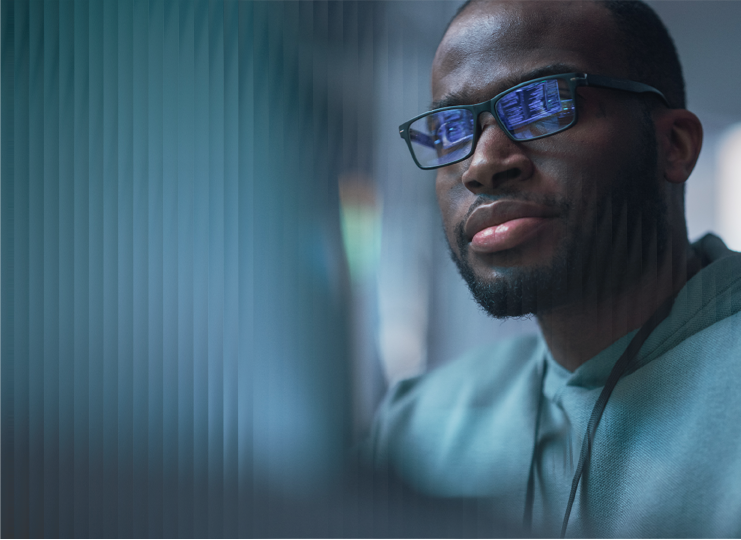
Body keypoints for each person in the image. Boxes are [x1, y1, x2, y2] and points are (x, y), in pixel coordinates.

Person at [367, 0, 741, 537]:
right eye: (449, 131)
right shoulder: (417, 426)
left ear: (674, 146)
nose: (481, 165)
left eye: (542, 104)